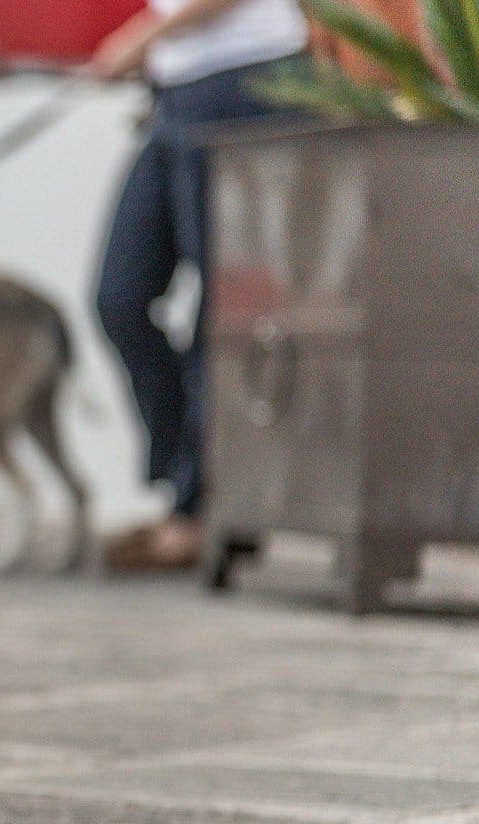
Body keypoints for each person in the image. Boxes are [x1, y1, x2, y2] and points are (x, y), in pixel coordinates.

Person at [90, 0, 308, 569]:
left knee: (222, 312)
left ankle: (197, 507)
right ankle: (194, 482)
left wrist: (144, 37)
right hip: (178, 94)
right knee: (120, 298)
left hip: (248, 84)